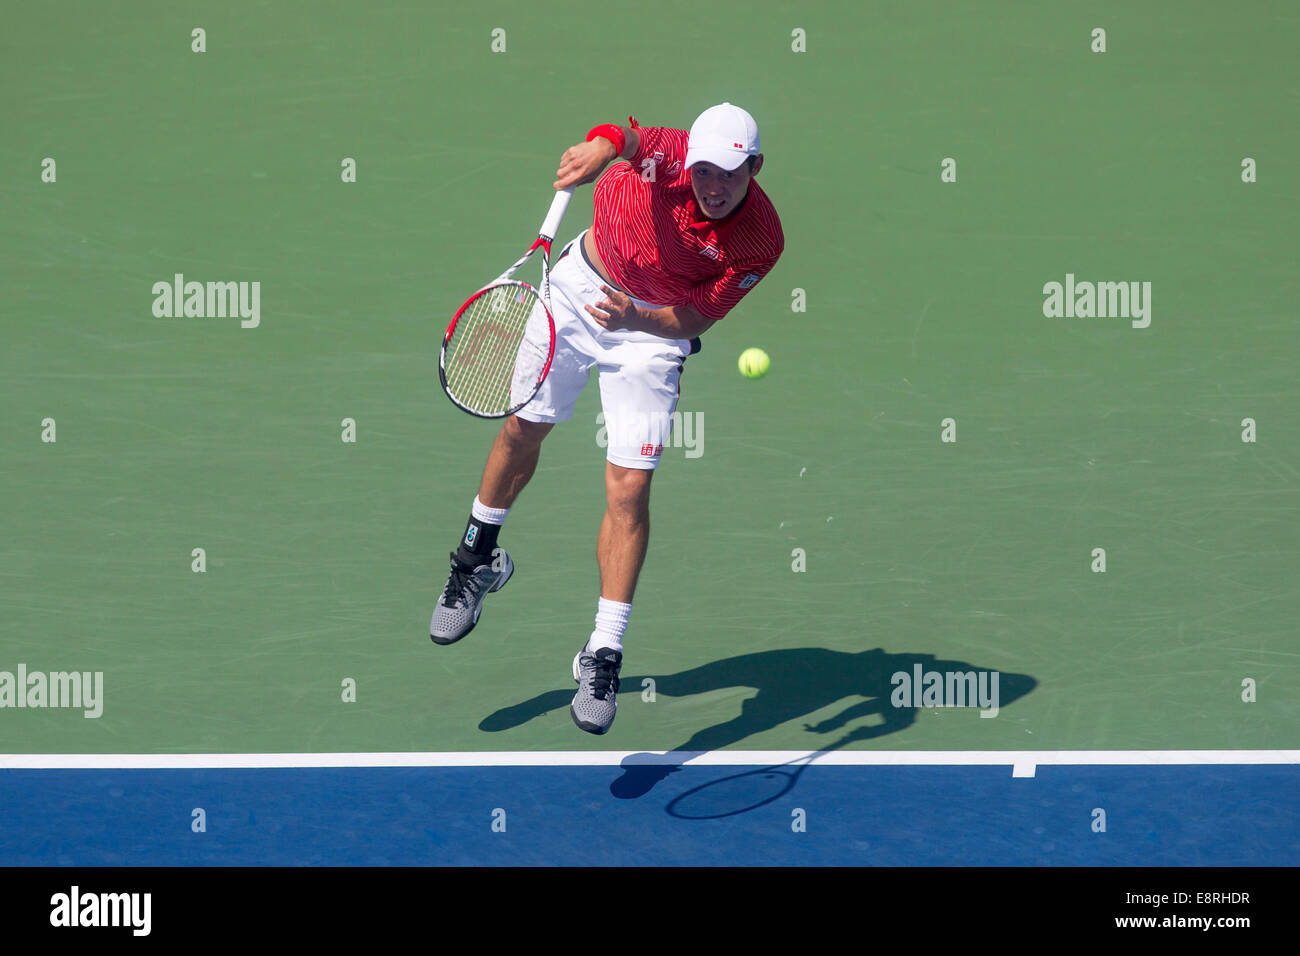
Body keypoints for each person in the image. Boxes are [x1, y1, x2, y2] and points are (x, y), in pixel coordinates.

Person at [431, 102, 784, 735]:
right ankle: (474, 560)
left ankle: (604, 651)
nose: (714, 185)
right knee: (523, 427)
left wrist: (636, 320)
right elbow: (623, 136)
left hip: (651, 332)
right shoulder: (669, 156)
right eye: (705, 171)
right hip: (576, 289)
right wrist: (600, 147)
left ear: (754, 168)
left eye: (730, 174)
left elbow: (698, 319)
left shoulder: (762, 240)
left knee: (630, 486)